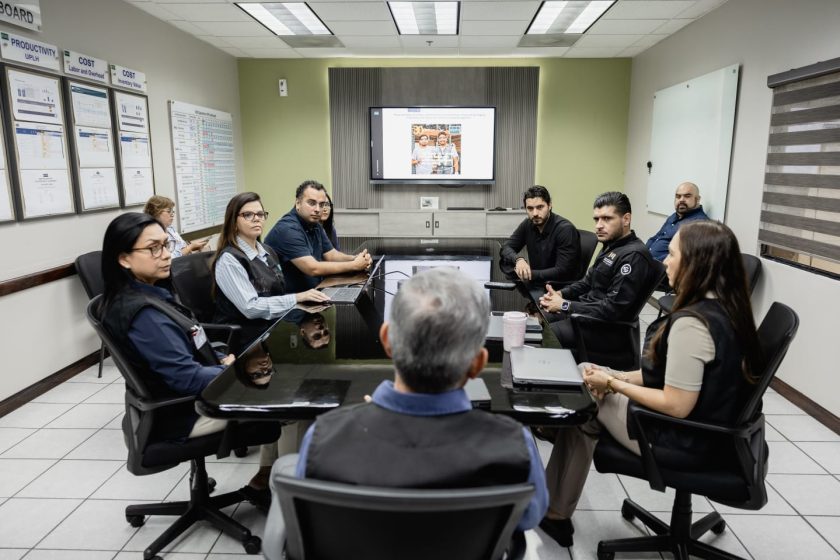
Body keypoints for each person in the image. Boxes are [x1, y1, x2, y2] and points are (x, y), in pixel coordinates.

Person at [263, 268, 548, 557]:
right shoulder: (515, 446)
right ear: (478, 363)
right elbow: (529, 517)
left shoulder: (323, 438)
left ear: (387, 340)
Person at [539, 220, 763, 548]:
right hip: (715, 429)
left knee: (584, 400)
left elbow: (676, 404)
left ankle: (556, 510)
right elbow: (673, 375)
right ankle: (557, 497)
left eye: (672, 254)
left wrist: (612, 384)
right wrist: (614, 376)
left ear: (695, 263)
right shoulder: (729, 308)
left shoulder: (693, 325)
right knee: (588, 371)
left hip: (683, 439)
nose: (665, 262)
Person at [98, 212, 233, 442]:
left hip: (190, 396)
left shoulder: (150, 293)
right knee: (282, 405)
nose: (167, 254)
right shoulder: (145, 316)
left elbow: (189, 340)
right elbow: (187, 378)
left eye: (165, 245)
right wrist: (232, 373)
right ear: (124, 259)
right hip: (184, 413)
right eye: (154, 248)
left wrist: (218, 359)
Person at [539, 191, 660, 349]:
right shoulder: (611, 245)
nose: (598, 225)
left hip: (605, 330)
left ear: (626, 219)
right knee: (537, 318)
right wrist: (560, 294)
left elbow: (612, 310)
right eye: (596, 219)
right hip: (587, 314)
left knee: (543, 335)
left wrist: (564, 305)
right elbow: (587, 282)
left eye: (607, 219)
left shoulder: (633, 256)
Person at [212, 192, 330, 348]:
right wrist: (297, 297)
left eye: (260, 214)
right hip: (243, 340)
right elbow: (250, 308)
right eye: (248, 215)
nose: (256, 219)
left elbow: (275, 294)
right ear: (233, 222)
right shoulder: (229, 260)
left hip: (269, 329)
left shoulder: (267, 252)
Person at [264, 180, 372, 293]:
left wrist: (356, 258)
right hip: (291, 300)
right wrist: (354, 265)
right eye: (311, 203)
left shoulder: (314, 224)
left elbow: (332, 255)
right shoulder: (287, 229)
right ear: (298, 203)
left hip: (315, 291)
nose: (317, 209)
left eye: (321, 205)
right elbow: (312, 268)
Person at [500, 185, 581, 285]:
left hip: (559, 287)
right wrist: (518, 260)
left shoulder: (565, 230)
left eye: (540, 207)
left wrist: (528, 274)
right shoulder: (528, 224)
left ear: (549, 205)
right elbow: (506, 247)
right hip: (537, 284)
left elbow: (563, 271)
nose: (535, 213)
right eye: (530, 208)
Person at [645, 181, 709, 261]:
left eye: (687, 196)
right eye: (678, 196)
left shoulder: (699, 224)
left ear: (698, 199)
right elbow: (656, 237)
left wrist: (651, 262)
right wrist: (643, 253)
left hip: (660, 266)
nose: (681, 200)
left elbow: (683, 258)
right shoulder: (674, 216)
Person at [143, 195, 207, 257]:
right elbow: (166, 258)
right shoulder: (151, 235)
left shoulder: (170, 229)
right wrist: (190, 248)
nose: (172, 214)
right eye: (168, 211)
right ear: (156, 212)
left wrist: (192, 247)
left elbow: (182, 247)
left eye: (172, 211)